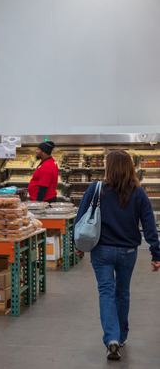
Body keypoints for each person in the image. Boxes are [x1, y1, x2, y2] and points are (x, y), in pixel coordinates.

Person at [74, 150, 160, 360]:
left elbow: (81, 219)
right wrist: (156, 253)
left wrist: (77, 245)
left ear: (109, 167)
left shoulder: (96, 189)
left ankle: (111, 338)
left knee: (106, 292)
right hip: (128, 252)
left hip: (101, 251)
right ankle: (121, 337)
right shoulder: (139, 193)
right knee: (122, 293)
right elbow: (149, 225)